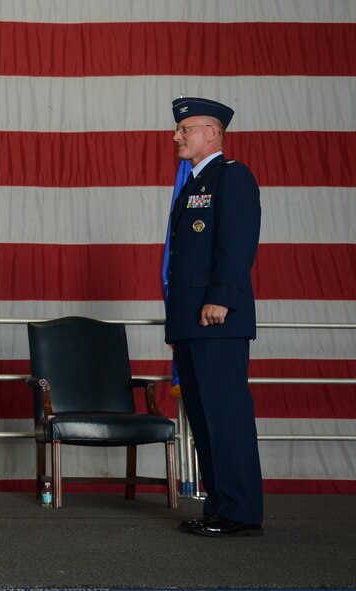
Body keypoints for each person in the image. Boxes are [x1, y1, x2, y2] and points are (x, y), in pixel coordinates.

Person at [164, 96, 263, 537]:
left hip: (216, 317)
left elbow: (238, 243)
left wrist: (221, 297)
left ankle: (241, 510)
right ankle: (221, 505)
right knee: (204, 418)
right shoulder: (193, 184)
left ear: (212, 133)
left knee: (226, 414)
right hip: (190, 320)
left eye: (186, 129)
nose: (177, 136)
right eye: (179, 129)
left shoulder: (232, 177)